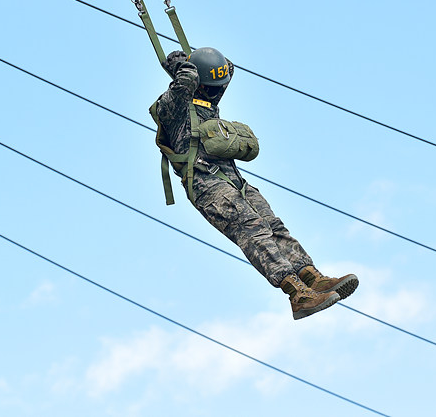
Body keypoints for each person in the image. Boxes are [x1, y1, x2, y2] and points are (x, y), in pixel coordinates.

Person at [152, 47, 359, 320]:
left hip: (233, 180)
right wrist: (185, 66)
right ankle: (296, 293)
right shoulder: (172, 108)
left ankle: (310, 276)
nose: (217, 92)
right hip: (206, 186)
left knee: (273, 226)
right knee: (252, 230)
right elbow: (187, 83)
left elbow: (227, 69)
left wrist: (194, 59)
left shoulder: (206, 100)